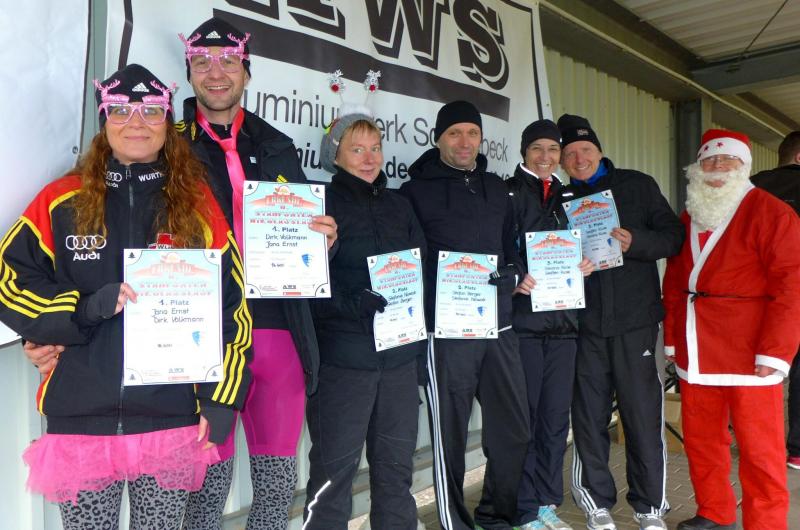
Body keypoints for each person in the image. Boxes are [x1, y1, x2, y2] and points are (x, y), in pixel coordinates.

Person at [27, 17, 337, 529]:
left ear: (247, 70)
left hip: (276, 327)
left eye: (228, 61)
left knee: (277, 483)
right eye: (202, 62)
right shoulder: (160, 141)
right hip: (189, 342)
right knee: (205, 489)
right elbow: (60, 268)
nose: (216, 72)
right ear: (188, 74)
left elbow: (304, 233)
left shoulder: (278, 144)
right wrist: (53, 324)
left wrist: (322, 241)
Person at [0, 64, 252, 529]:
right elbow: (11, 282)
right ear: (104, 121)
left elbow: (233, 308)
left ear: (167, 123)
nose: (137, 122)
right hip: (82, 421)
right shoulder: (60, 200)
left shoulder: (197, 205)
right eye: (121, 110)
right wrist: (81, 309)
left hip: (171, 421)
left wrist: (221, 399)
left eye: (151, 111)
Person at [400, 100, 530, 530]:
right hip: (447, 332)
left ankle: (496, 516)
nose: (464, 141)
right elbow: (408, 262)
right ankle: (455, 522)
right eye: (454, 133)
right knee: (449, 438)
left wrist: (513, 272)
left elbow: (511, 248)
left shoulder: (498, 189)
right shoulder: (415, 192)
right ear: (438, 138)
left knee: (514, 430)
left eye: (472, 133)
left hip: (499, 325)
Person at [663, 129, 800, 530]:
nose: (718, 166)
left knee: (760, 448)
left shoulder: (773, 212)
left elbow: (792, 285)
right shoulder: (690, 214)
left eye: (728, 159)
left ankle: (767, 522)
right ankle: (714, 510)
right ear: (697, 168)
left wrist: (776, 351)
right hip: (696, 346)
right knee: (703, 440)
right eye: (709, 159)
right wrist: (672, 338)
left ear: (745, 166)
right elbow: (675, 281)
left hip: (750, 350)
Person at [302, 99, 427, 529]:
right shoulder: (319, 205)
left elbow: (419, 271)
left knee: (395, 472)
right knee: (332, 477)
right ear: (334, 155)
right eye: (357, 149)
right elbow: (302, 285)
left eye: (375, 148)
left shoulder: (400, 205)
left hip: (398, 361)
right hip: (343, 363)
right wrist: (351, 301)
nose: (369, 158)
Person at [556, 114, 683, 530]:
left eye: (585, 150)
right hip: (584, 327)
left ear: (599, 150)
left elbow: (673, 237)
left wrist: (636, 241)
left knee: (643, 416)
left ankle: (650, 506)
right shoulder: (558, 198)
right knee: (588, 417)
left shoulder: (637, 185)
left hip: (635, 323)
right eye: (569, 154)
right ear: (561, 161)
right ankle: (595, 503)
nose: (579, 159)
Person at [506, 119, 593, 530]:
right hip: (524, 325)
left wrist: (591, 260)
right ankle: (523, 509)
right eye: (537, 148)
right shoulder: (507, 193)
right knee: (524, 419)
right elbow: (496, 247)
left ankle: (546, 503)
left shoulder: (570, 196)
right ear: (524, 151)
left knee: (556, 420)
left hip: (565, 325)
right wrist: (514, 274)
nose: (545, 157)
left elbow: (591, 242)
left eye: (553, 149)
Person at [750, 130, 800, 470]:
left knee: (755, 371)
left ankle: (754, 445)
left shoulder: (750, 187)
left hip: (753, 298)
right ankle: (796, 450)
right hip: (795, 292)